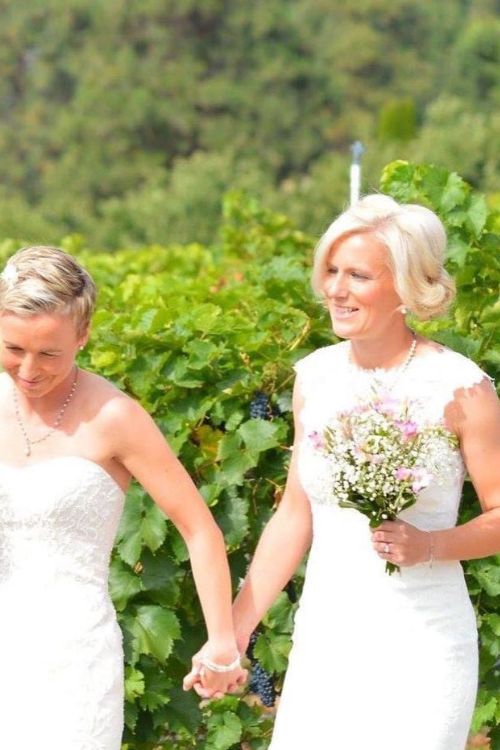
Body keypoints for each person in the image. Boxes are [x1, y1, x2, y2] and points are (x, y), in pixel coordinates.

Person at [187, 194, 500, 748]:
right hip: (327, 639)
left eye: (357, 274)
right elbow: (293, 517)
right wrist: (230, 635)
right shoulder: (315, 377)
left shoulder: (462, 387)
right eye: (331, 270)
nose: (334, 288)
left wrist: (431, 545)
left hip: (423, 643)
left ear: (408, 286)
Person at [0, 245, 246, 750]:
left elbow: (200, 530)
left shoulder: (115, 417)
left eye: (49, 353)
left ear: (83, 336)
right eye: (12, 349)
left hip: (72, 660)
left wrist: (222, 642)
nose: (27, 369)